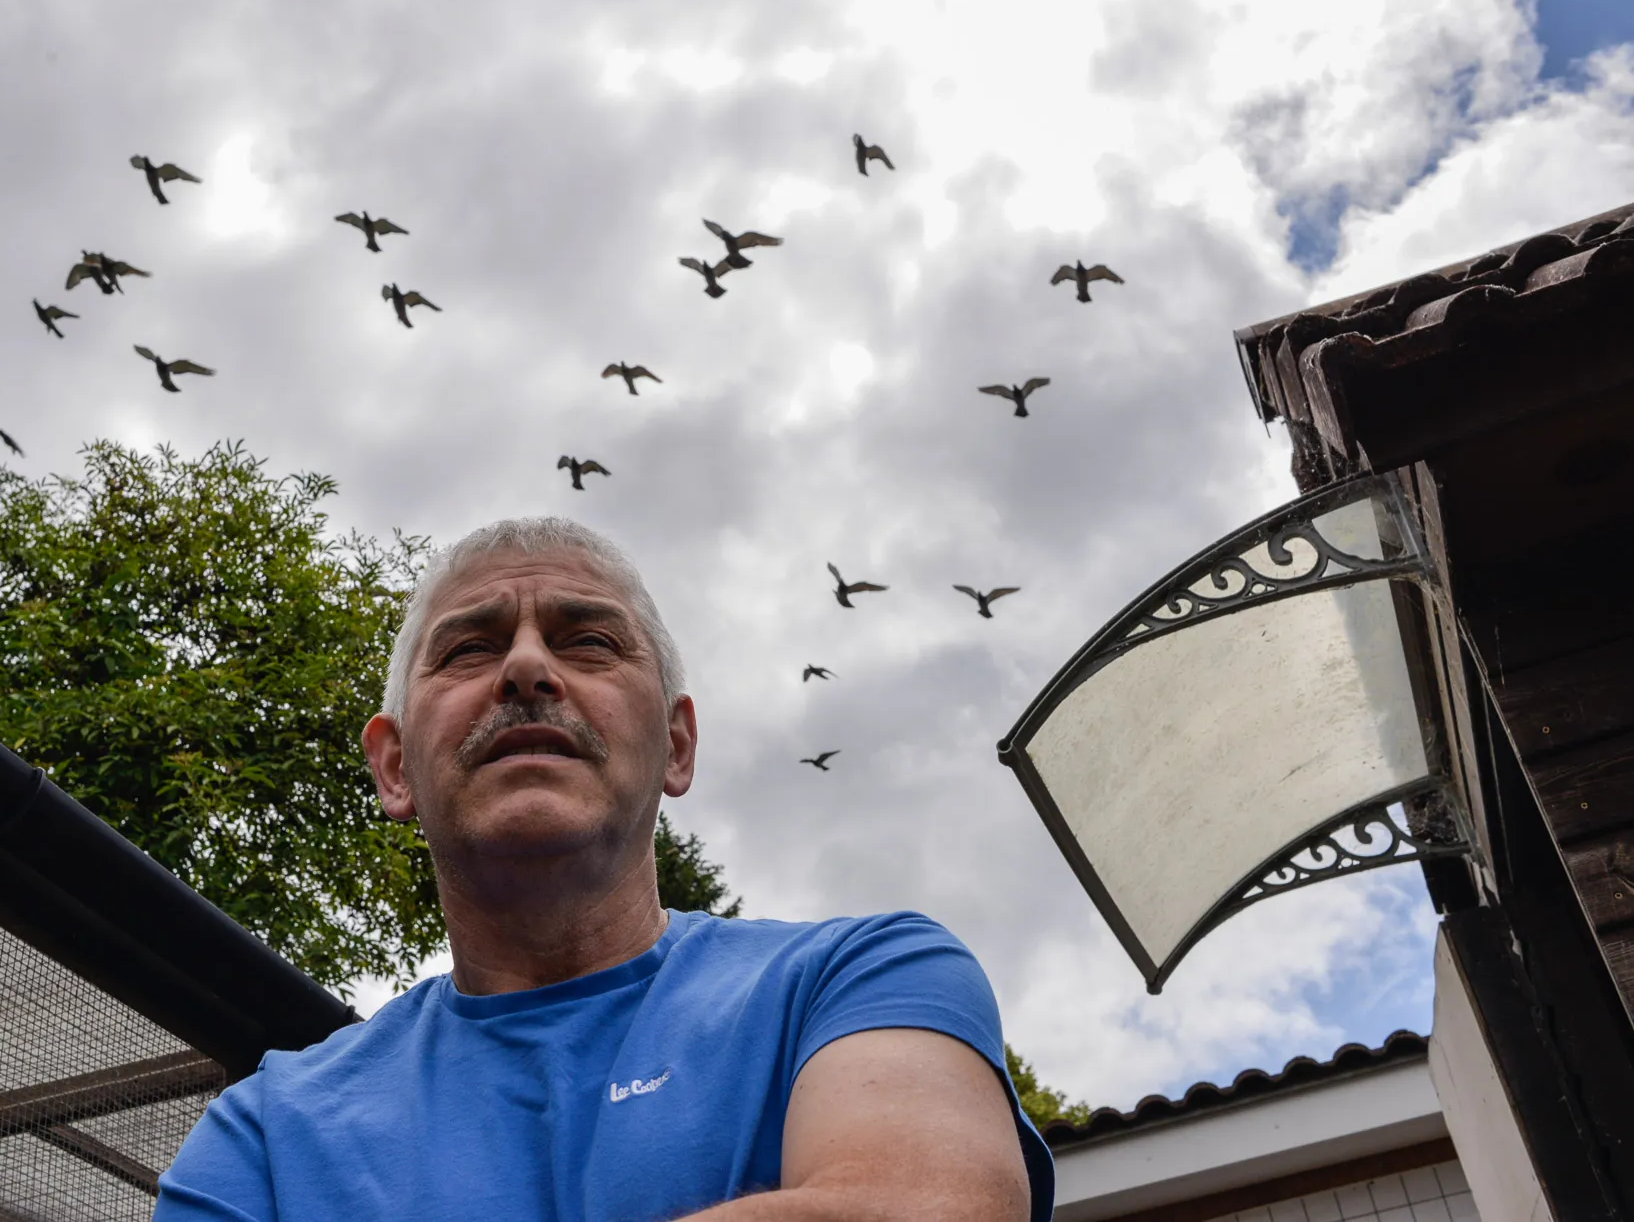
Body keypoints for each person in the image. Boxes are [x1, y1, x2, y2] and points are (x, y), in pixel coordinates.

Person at [155, 517, 1053, 1221]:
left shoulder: (860, 979)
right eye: (469, 648)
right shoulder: (266, 1133)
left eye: (588, 640)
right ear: (394, 767)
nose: (527, 667)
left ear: (676, 744)